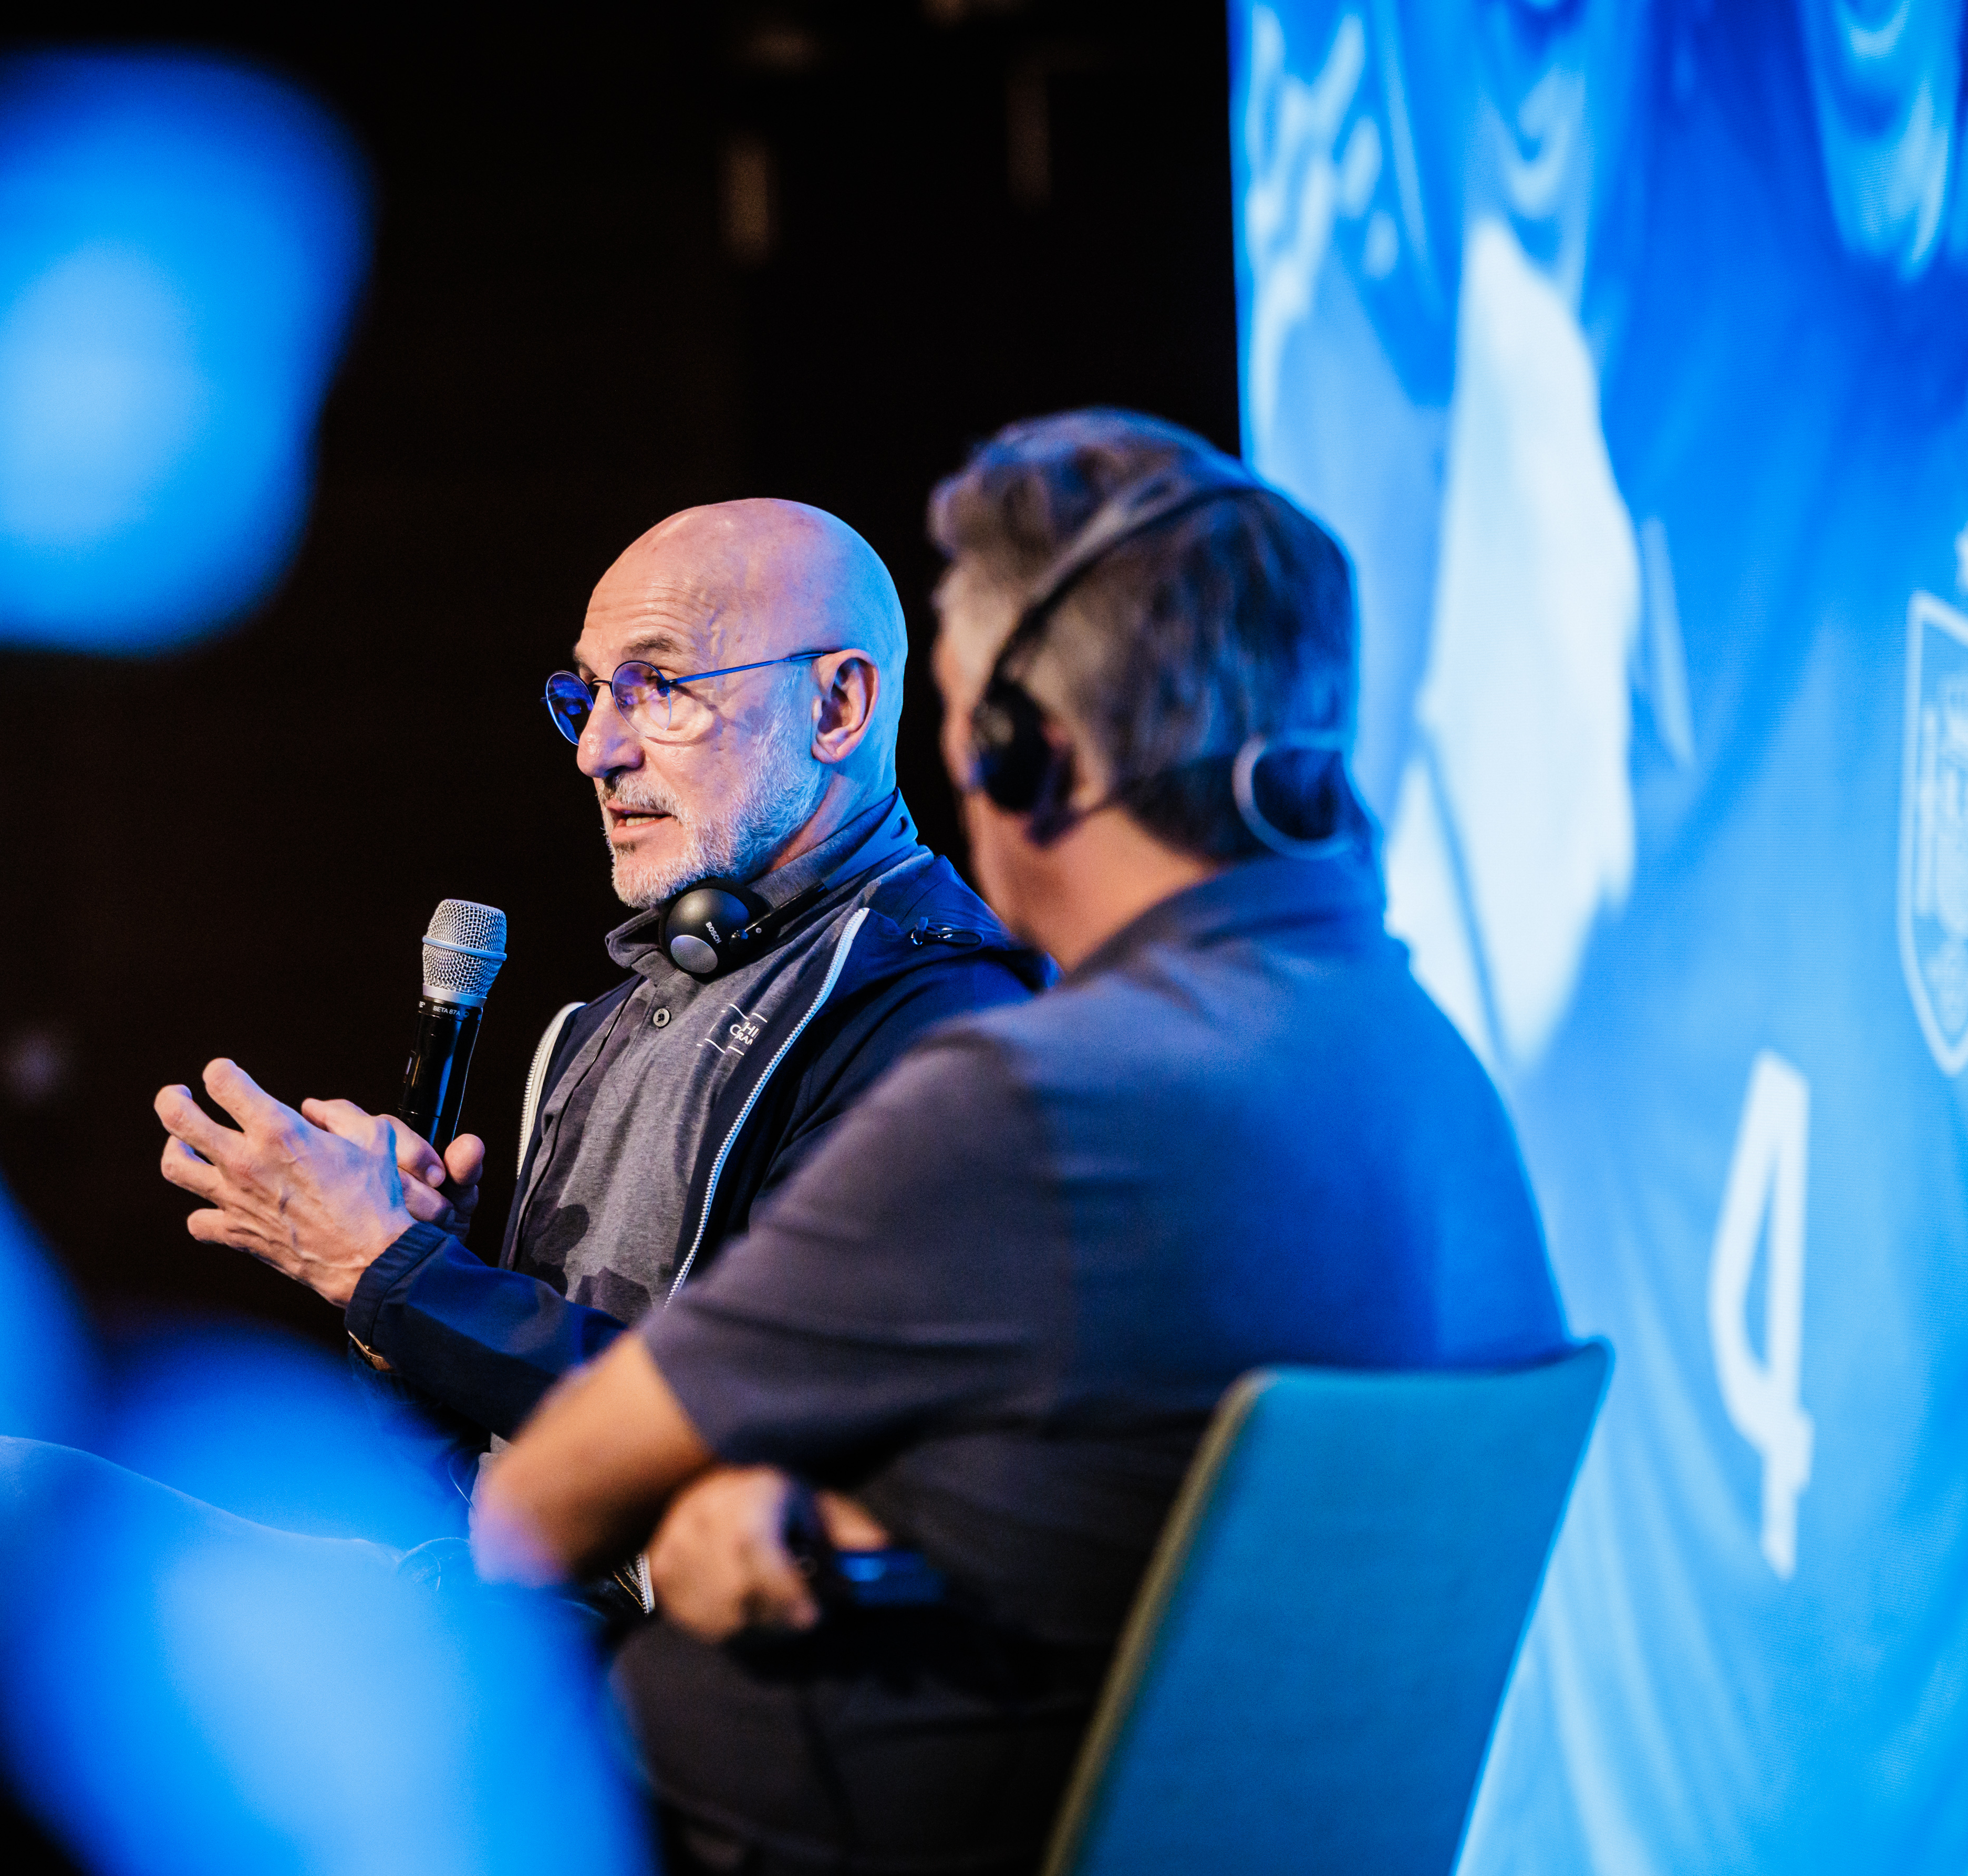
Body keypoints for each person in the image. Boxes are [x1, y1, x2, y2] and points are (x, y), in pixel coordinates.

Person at [468, 410, 1572, 1875]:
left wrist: (693, 1514)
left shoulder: (1033, 1104)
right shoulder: (1436, 1074)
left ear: (1020, 751)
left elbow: (532, 1509)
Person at [151, 497, 1040, 1534]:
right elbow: (489, 1468)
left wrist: (394, 1273)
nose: (595, 752)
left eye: (656, 686)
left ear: (836, 707)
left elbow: (755, 1428)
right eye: (587, 695)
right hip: (481, 1595)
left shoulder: (936, 1019)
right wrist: (397, 1303)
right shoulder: (602, 1025)